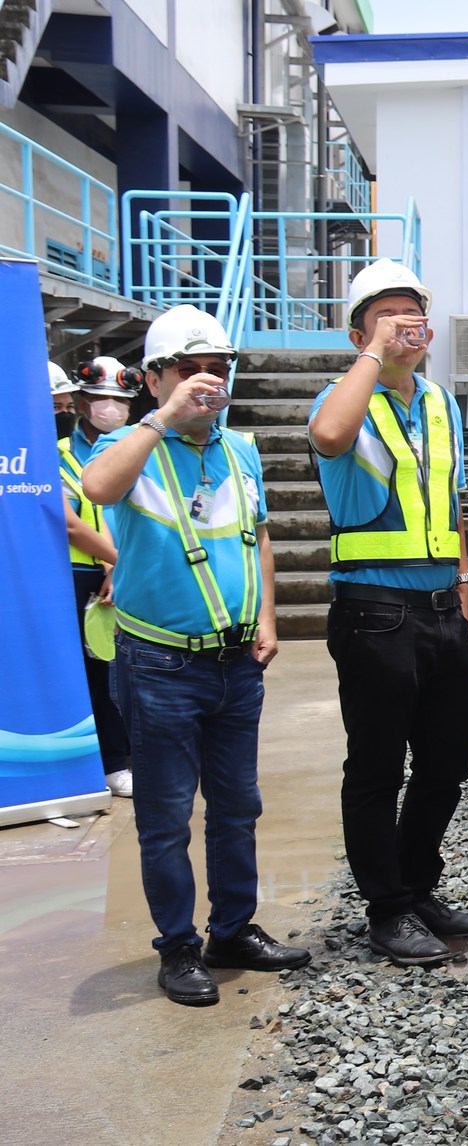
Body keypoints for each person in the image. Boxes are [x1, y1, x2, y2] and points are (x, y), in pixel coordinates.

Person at [80, 306, 309, 1006]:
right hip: (159, 667)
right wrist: (160, 418)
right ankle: (177, 947)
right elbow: (97, 489)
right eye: (190, 370)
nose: (208, 381)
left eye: (219, 368)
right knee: (166, 817)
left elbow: (259, 537)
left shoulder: (238, 450)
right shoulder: (131, 446)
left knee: (238, 807)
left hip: (236, 664)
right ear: (153, 379)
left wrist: (267, 615)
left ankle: (232, 928)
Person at [307, 259, 468, 967]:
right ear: (359, 334)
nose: (407, 320)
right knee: (378, 768)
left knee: (448, 762)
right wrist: (376, 354)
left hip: (441, 609)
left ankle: (415, 886)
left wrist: (463, 592)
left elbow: (453, 505)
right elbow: (326, 438)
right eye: (386, 314)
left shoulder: (441, 403)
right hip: (374, 612)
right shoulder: (342, 397)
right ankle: (386, 909)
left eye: (413, 310)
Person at [56, 357, 133, 796]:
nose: (111, 408)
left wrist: (118, 566)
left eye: (120, 400)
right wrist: (116, 563)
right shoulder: (60, 454)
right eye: (102, 399)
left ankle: (124, 756)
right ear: (82, 402)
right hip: (78, 576)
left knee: (125, 672)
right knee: (94, 675)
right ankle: (109, 764)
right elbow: (73, 523)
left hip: (121, 570)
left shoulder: (141, 447)